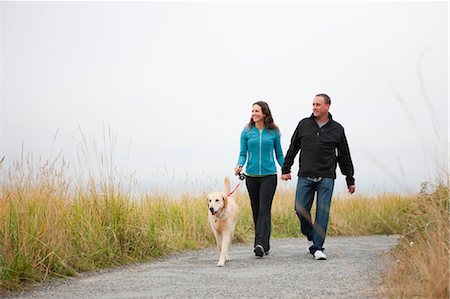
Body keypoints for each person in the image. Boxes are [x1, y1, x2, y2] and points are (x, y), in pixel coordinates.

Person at [281, 93, 355, 260]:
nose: (314, 107)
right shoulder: (304, 124)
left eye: (318, 105)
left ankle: (318, 247)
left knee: (322, 212)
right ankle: (310, 235)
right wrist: (286, 169)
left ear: (327, 106)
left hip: (326, 177)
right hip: (305, 176)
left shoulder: (337, 129)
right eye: (313, 104)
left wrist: (349, 179)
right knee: (300, 209)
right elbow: (293, 148)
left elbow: (344, 156)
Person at [235, 101, 284, 257]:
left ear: (264, 113)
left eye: (257, 111)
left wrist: (286, 169)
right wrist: (239, 165)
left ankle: (260, 244)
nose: (254, 113)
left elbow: (279, 154)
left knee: (264, 209)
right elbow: (243, 153)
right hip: (251, 176)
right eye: (252, 111)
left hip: (269, 176)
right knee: (257, 210)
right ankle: (265, 244)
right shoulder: (247, 132)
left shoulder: (274, 132)